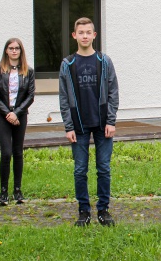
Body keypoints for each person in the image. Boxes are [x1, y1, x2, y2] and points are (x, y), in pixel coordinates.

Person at [59, 17, 119, 227]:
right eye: (80, 32)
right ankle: (84, 210)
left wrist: (111, 121)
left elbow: (113, 92)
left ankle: (103, 210)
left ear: (94, 35)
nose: (85, 36)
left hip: (103, 125)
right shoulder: (67, 64)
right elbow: (64, 98)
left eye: (88, 32)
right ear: (74, 36)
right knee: (79, 170)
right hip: (79, 126)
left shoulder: (104, 61)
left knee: (103, 168)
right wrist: (68, 126)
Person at [0, 38, 35, 206]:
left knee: (18, 152)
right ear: (6, 51)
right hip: (3, 115)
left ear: (21, 51)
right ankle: (3, 191)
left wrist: (16, 113)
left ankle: (17, 189)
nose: (14, 51)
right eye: (11, 48)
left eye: (17, 48)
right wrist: (8, 113)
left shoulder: (28, 71)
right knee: (6, 152)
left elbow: (30, 95)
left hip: (20, 115)